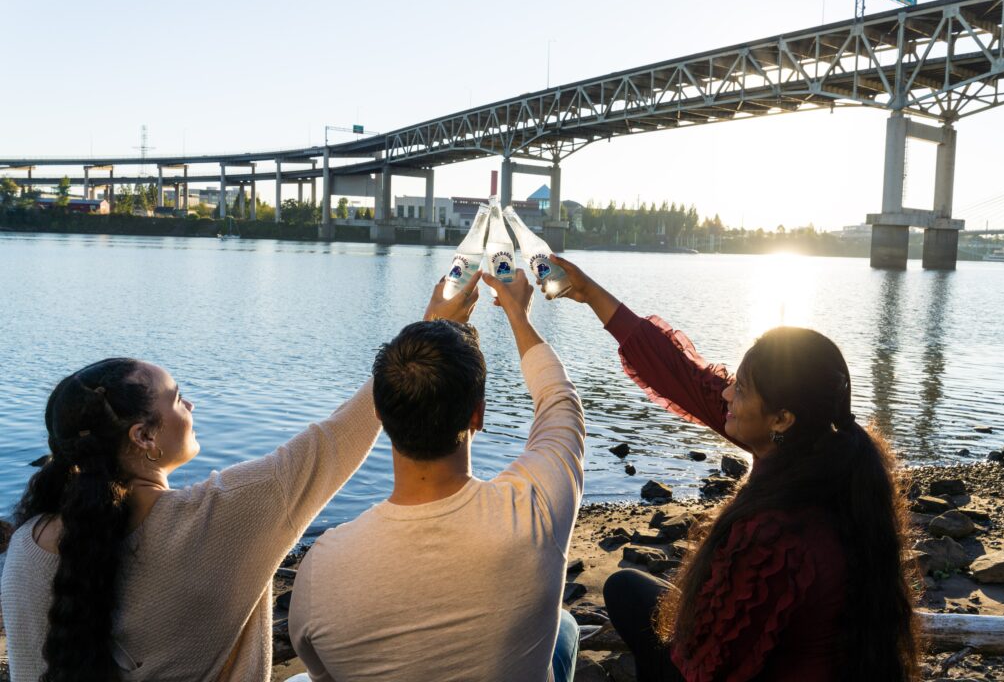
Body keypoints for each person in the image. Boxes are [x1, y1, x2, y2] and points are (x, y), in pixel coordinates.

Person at [0, 275, 482, 682]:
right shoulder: (224, 516)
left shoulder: (26, 545)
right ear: (144, 436)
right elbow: (339, 437)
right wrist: (432, 330)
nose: (191, 406)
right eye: (178, 398)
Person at [545, 254, 919, 682]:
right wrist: (592, 293)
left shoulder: (775, 535)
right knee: (628, 591)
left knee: (636, 610)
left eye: (739, 389)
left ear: (781, 418)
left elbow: (706, 669)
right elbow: (683, 374)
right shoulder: (827, 451)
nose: (724, 394)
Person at [288, 269, 585, 682]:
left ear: (378, 414)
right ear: (478, 415)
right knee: (564, 626)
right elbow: (560, 400)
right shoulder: (535, 509)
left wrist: (431, 329)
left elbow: (322, 670)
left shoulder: (321, 567)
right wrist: (518, 314)